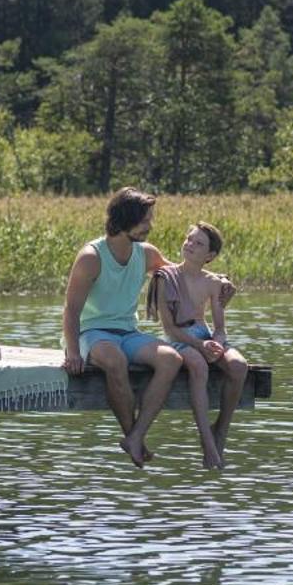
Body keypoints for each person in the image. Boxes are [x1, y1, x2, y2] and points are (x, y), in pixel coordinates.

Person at [61, 187, 183, 467]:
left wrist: (216, 280)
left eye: (150, 219)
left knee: (171, 359)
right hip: (91, 334)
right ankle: (133, 436)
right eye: (144, 220)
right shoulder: (91, 256)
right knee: (115, 361)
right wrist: (73, 354)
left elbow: (180, 276)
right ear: (125, 219)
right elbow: (71, 310)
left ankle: (136, 435)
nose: (150, 226)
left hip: (128, 333)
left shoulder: (147, 254)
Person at [148, 221, 249, 469]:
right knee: (198, 366)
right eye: (189, 239)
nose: (190, 244)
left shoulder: (214, 282)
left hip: (203, 335)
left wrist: (216, 342)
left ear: (210, 255)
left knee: (238, 365)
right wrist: (199, 346)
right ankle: (208, 444)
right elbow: (169, 329)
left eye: (198, 243)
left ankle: (220, 429)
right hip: (179, 338)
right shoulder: (166, 278)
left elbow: (220, 328)